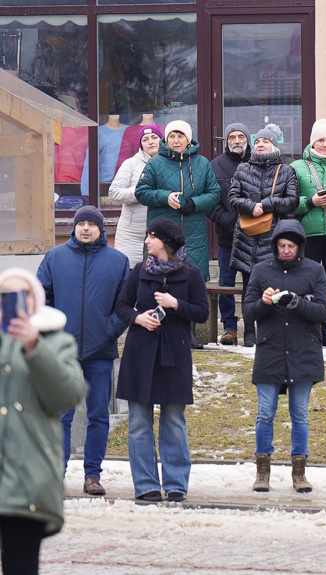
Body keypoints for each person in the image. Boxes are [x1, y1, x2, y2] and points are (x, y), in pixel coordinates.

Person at [36, 205, 129, 497]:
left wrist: (108, 331)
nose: (85, 228)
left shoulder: (118, 262)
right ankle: (56, 474)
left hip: (100, 352)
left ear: (102, 229)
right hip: (61, 351)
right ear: (73, 228)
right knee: (60, 415)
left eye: (91, 224)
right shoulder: (54, 258)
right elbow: (40, 299)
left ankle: (92, 475)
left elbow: (123, 305)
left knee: (98, 415)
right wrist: (52, 332)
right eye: (81, 224)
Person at [0, 268, 88, 575]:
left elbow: (67, 396)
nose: (13, 302)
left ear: (36, 299)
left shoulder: (56, 341)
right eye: (5, 296)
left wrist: (34, 348)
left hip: (29, 479)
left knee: (19, 567)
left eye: (22, 295)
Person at [115, 218, 209, 502]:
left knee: (173, 421)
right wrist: (137, 318)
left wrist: (175, 304)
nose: (146, 242)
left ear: (165, 242)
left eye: (151, 237)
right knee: (139, 422)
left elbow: (202, 313)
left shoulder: (191, 274)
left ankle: (176, 484)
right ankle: (146, 485)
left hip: (174, 355)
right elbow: (120, 305)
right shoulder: (139, 271)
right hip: (140, 353)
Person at [243, 219, 326, 493]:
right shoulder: (260, 270)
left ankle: (299, 473)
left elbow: (323, 312)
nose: (286, 250)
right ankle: (262, 471)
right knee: (265, 414)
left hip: (304, 351)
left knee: (300, 415)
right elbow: (248, 312)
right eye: (282, 245)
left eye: (291, 245)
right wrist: (264, 302)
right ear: (275, 245)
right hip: (270, 350)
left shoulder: (315, 271)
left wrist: (298, 302)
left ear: (300, 246)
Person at [135, 119, 221, 349]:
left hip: (193, 236)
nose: (176, 140)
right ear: (166, 139)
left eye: (180, 136)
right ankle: (157, 328)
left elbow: (214, 193)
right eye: (172, 136)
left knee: (191, 283)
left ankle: (188, 333)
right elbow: (141, 192)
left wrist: (193, 203)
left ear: (189, 139)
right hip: (162, 236)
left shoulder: (202, 163)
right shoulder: (155, 164)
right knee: (159, 282)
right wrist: (165, 197)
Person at [228, 123, 299, 347]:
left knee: (274, 284)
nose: (260, 144)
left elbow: (293, 201)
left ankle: (271, 330)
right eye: (257, 141)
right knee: (249, 286)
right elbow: (232, 199)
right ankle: (249, 331)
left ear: (274, 146)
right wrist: (250, 206)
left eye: (265, 141)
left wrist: (267, 204)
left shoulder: (286, 171)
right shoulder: (242, 169)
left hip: (275, 236)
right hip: (247, 237)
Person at [290, 118, 326, 349]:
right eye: (320, 140)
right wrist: (311, 201)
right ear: (312, 143)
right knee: (307, 281)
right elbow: (290, 202)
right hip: (308, 233)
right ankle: (307, 329)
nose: (325, 144)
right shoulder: (297, 167)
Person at [207, 123, 250, 346]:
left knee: (253, 283)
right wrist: (232, 221)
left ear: (247, 140)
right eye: (232, 137)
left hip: (255, 237)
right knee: (226, 283)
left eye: (240, 136)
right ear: (226, 141)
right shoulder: (216, 166)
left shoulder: (257, 162)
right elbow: (210, 202)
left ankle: (251, 328)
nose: (236, 140)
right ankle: (229, 328)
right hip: (227, 236)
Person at [109, 124, 163, 268]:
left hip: (160, 234)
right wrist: (141, 193)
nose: (150, 141)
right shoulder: (131, 164)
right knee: (129, 277)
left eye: (154, 137)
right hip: (131, 236)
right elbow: (114, 192)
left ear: (161, 140)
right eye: (145, 139)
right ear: (141, 145)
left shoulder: (170, 164)